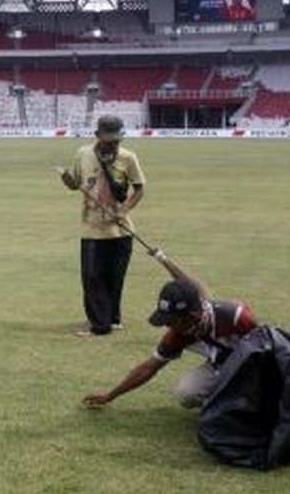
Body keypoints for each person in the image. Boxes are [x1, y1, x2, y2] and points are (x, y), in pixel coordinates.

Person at [82, 249, 257, 409]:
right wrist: (110, 396)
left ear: (193, 315)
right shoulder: (179, 334)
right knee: (186, 394)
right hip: (220, 364)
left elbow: (268, 351)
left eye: (172, 320)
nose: (168, 326)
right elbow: (148, 368)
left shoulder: (237, 318)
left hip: (253, 365)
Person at [59, 115, 146, 337]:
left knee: (115, 277)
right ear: (97, 136)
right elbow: (75, 185)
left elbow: (139, 190)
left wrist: (124, 210)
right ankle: (99, 325)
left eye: (116, 141)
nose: (113, 144)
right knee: (92, 278)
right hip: (92, 229)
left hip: (121, 231)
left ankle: (113, 319)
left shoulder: (128, 158)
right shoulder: (83, 154)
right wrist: (68, 180)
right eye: (108, 140)